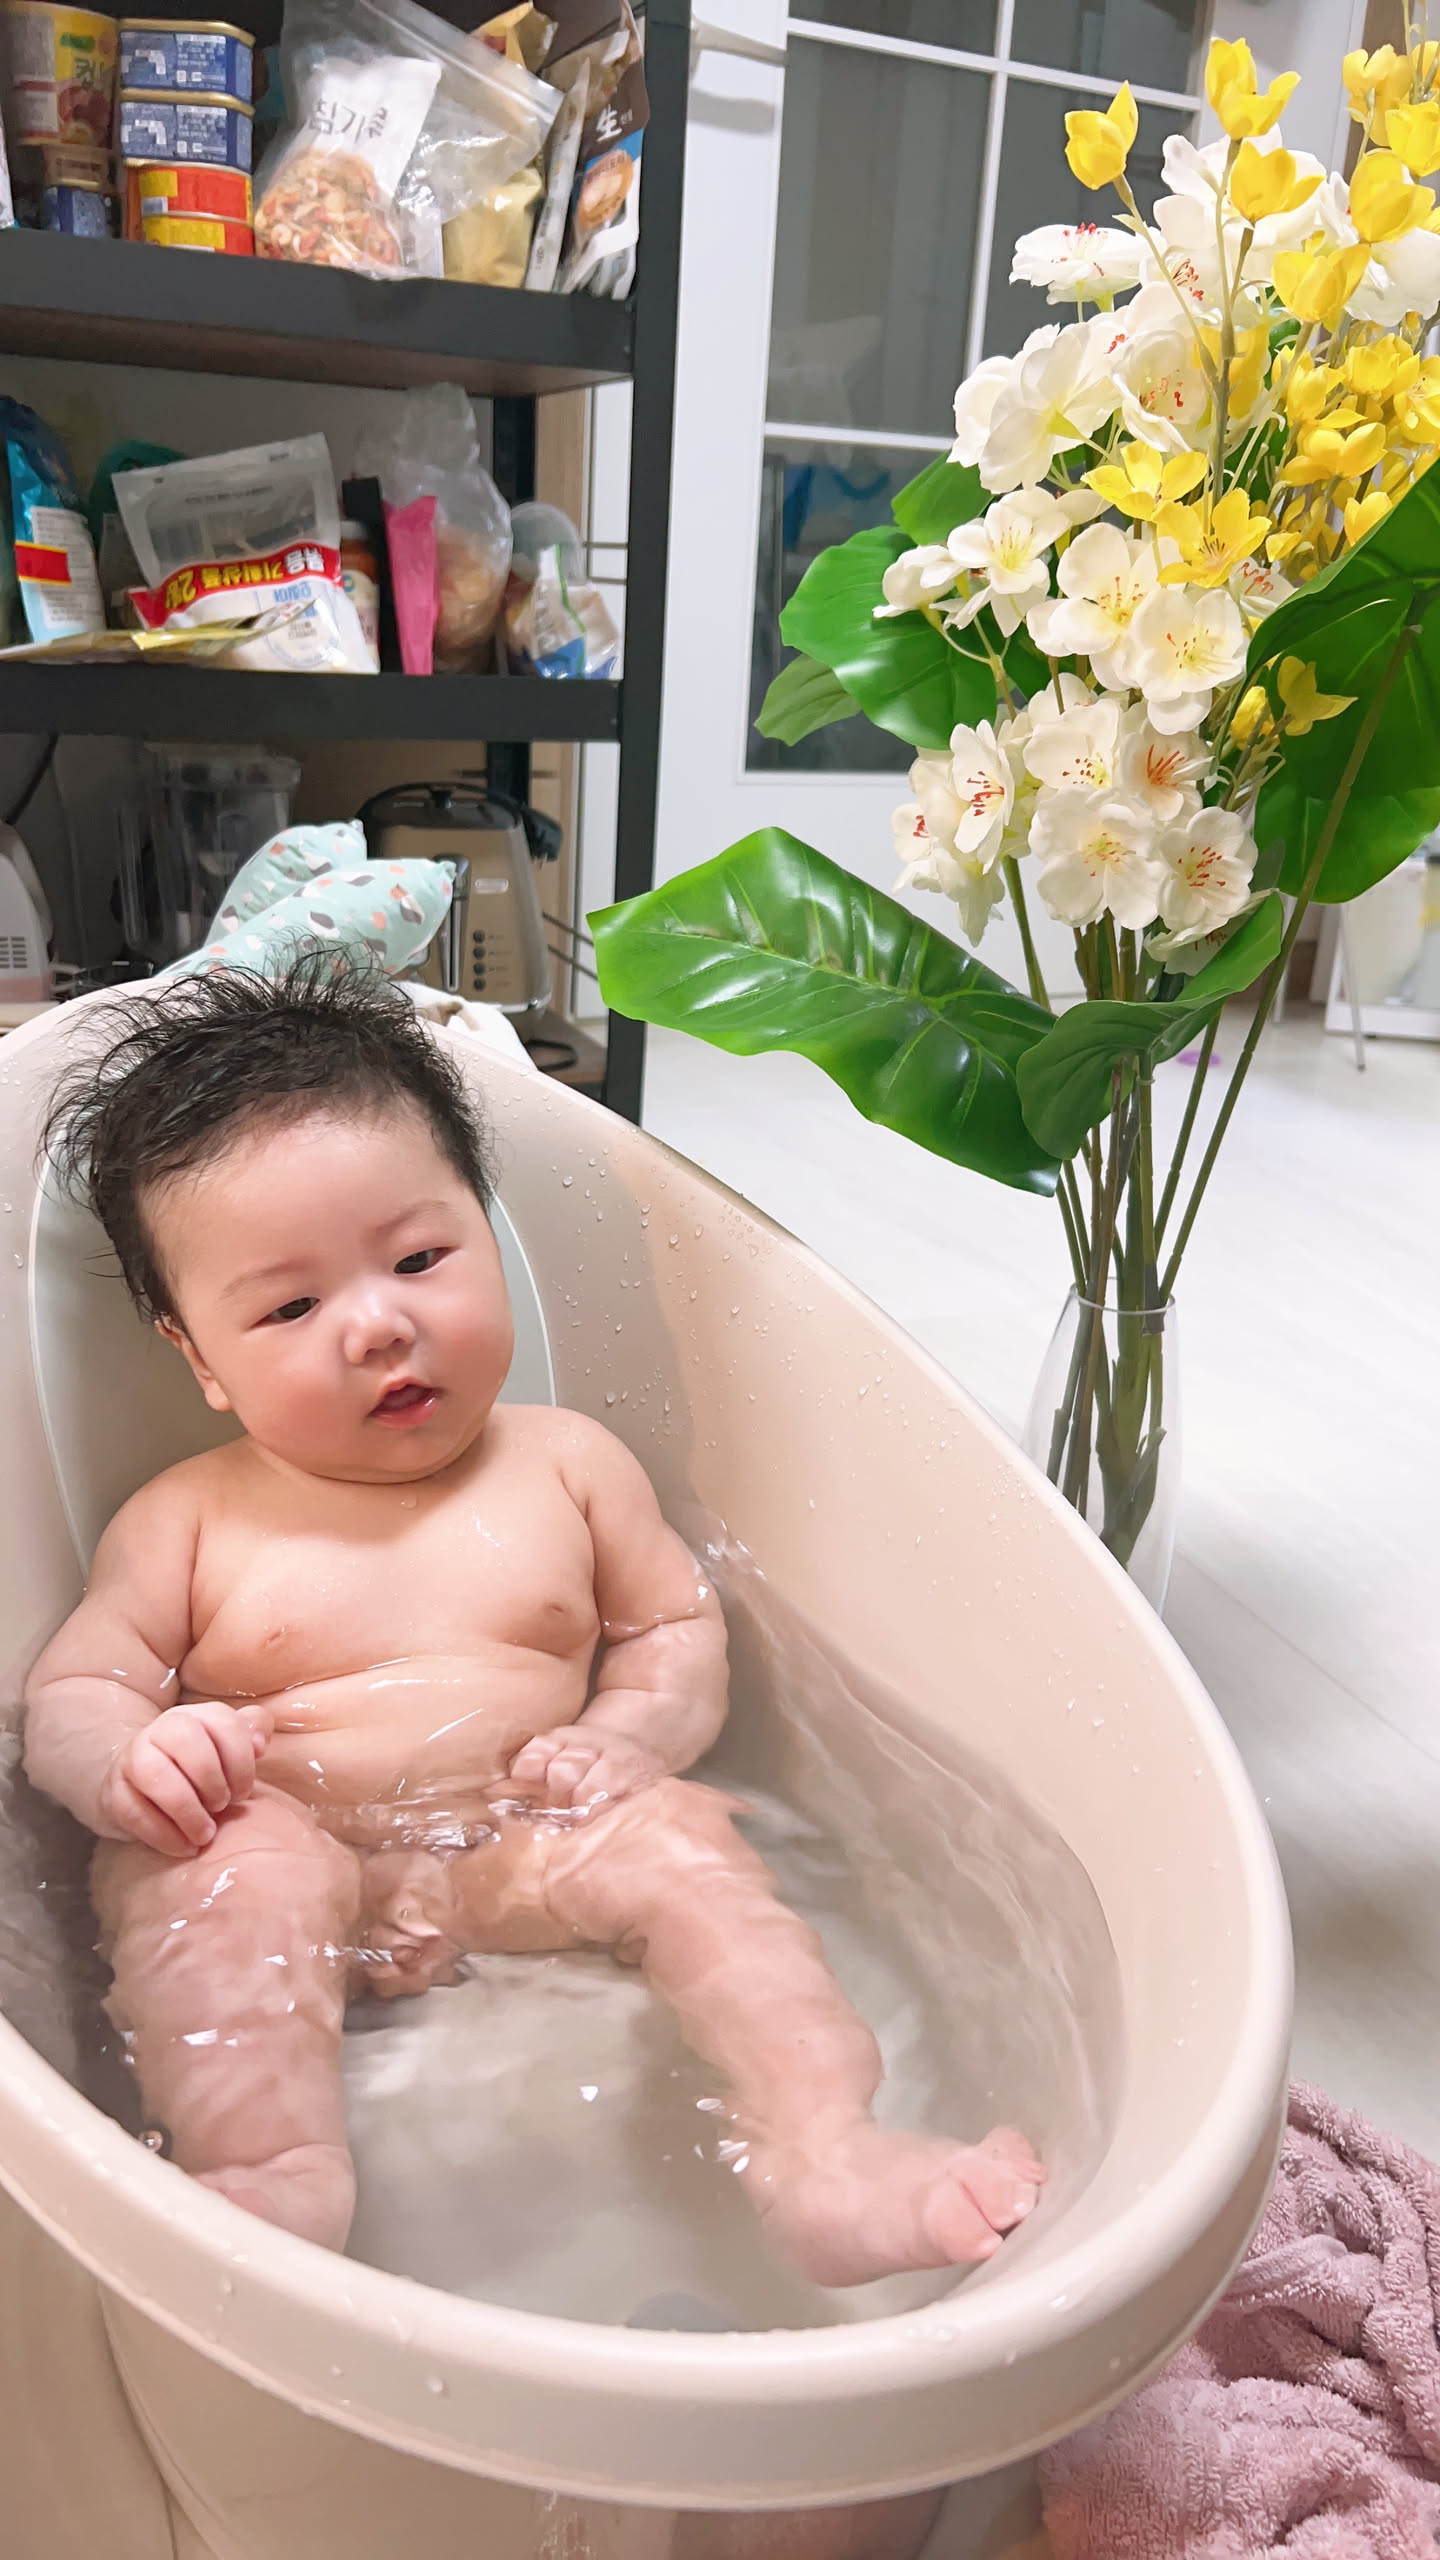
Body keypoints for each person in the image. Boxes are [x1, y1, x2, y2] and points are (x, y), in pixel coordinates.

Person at [24, 959, 1042, 2278]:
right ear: (198, 1357)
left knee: (682, 1844)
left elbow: (672, 1628)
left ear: (487, 1237)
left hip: (521, 1841)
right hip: (288, 1842)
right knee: (215, 1875)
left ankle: (822, 2148)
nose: (378, 1324)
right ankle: (263, 2172)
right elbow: (75, 1693)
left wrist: (629, 1738)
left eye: (419, 1258)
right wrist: (134, 1764)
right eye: (291, 1306)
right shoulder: (186, 1520)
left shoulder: (569, 1465)